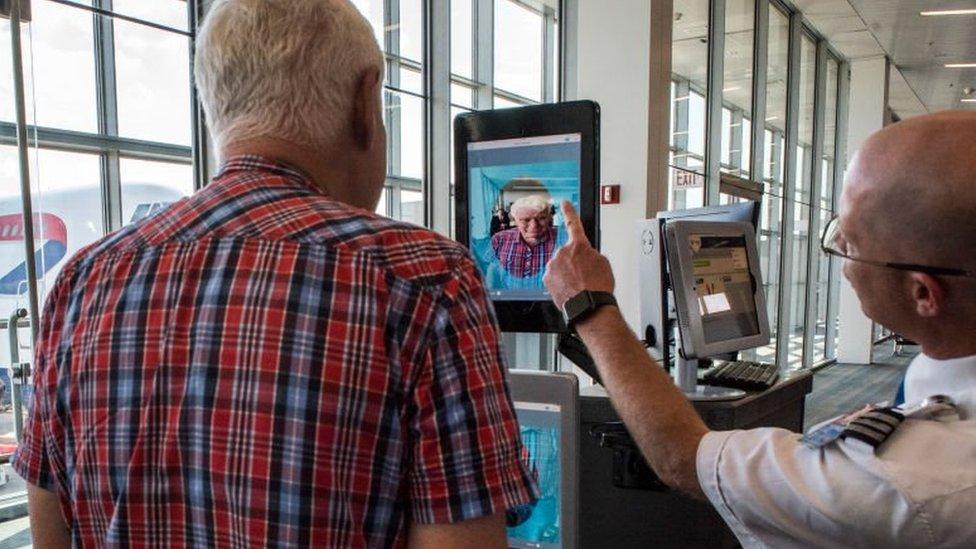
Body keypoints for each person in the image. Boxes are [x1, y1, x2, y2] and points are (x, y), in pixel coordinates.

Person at [12, 1, 536, 547]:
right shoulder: (424, 280)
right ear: (365, 102)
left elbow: (50, 529)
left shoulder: (82, 282)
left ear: (218, 109)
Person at [543, 111, 976, 547]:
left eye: (849, 243)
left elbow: (683, 457)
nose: (841, 261)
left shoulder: (902, 480)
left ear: (925, 294)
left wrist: (589, 303)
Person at [491, 195, 561, 280]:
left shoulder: (564, 240)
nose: (534, 225)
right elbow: (491, 270)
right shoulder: (499, 239)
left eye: (541, 218)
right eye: (526, 220)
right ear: (515, 220)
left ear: (549, 218)